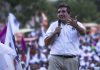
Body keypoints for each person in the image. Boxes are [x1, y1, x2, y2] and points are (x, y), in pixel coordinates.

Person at [44, 3, 86, 70]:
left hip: (71, 59)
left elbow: (84, 33)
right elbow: (46, 43)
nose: (60, 14)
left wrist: (76, 26)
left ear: (69, 13)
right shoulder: (53, 25)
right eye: (59, 12)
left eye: (63, 11)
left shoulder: (77, 24)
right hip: (55, 59)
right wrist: (54, 33)